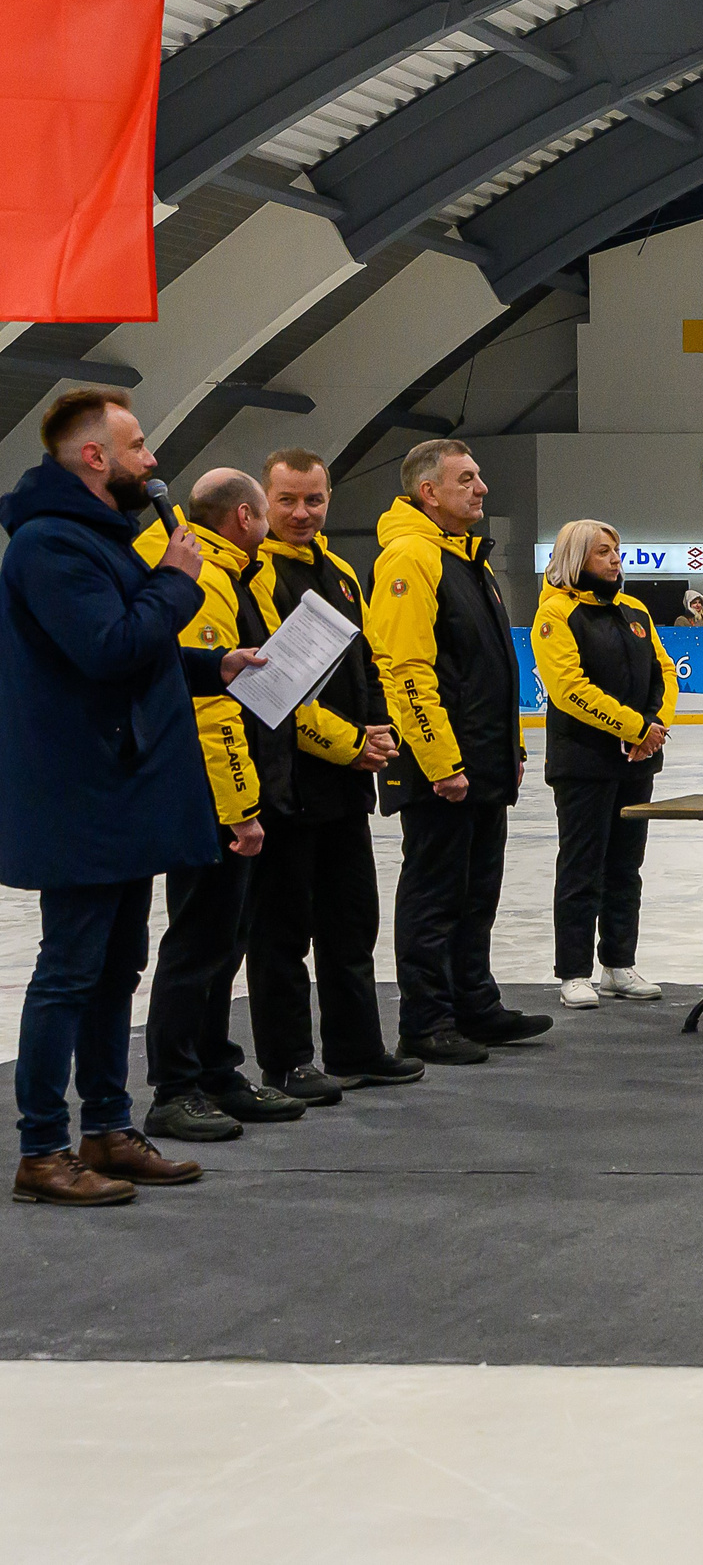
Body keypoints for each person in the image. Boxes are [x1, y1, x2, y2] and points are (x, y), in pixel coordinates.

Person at [0, 389, 259, 1205]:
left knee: (117, 969)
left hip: (121, 789)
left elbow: (132, 655)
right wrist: (177, 582)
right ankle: (42, 1148)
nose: (152, 461)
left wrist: (211, 666)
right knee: (69, 971)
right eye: (139, 445)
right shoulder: (49, 544)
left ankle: (107, 1127)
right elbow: (108, 649)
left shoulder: (96, 538)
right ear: (94, 457)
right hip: (83, 795)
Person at [242, 449, 422, 1103]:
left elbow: (368, 662)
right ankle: (288, 1061)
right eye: (287, 500)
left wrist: (380, 728)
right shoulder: (254, 574)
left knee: (351, 925)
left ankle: (356, 1047)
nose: (302, 513)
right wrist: (350, 745)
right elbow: (272, 688)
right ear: (261, 503)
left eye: (314, 499)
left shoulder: (341, 572)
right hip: (285, 784)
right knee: (281, 933)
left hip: (345, 788)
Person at [137, 470, 309, 1140]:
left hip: (224, 788)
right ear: (244, 516)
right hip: (207, 793)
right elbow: (211, 709)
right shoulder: (207, 576)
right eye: (268, 511)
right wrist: (240, 807)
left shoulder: (236, 572)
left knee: (223, 941)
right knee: (197, 942)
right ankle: (174, 1086)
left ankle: (214, 1071)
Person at [369, 438, 551, 1066]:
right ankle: (427, 1022)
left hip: (482, 762)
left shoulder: (466, 557)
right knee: (435, 897)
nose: (482, 488)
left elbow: (490, 669)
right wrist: (441, 763)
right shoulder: (410, 558)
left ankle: (474, 1004)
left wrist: (511, 747)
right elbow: (406, 671)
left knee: (477, 893)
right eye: (467, 478)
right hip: (443, 768)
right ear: (429, 492)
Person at [534, 519, 679, 1011]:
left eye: (617, 551)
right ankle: (574, 972)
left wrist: (654, 725)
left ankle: (619, 964)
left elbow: (664, 670)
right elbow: (569, 689)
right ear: (576, 558)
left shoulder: (635, 610)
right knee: (582, 868)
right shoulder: (556, 613)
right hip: (584, 763)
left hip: (637, 761)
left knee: (625, 867)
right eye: (602, 552)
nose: (615, 559)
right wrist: (634, 728)